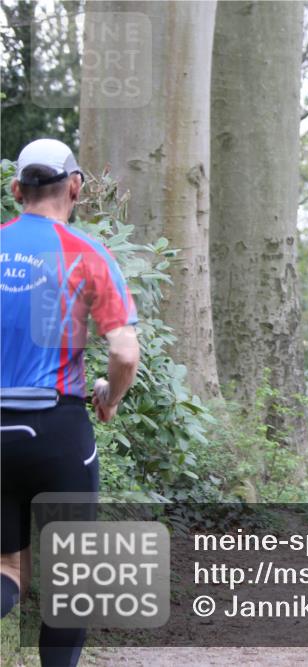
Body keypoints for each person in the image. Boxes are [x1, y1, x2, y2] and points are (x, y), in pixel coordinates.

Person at [1, 138, 139, 666]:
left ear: (17, 190)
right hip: (56, 430)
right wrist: (110, 395)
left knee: (8, 569)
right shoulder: (87, 254)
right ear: (75, 186)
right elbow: (124, 351)